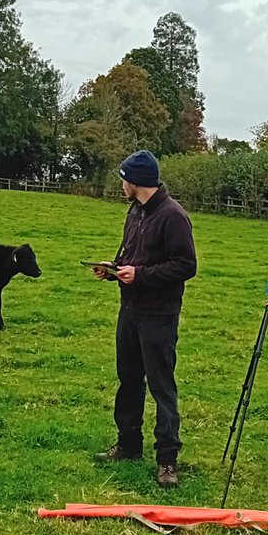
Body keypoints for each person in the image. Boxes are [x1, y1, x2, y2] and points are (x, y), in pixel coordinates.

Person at [92, 150, 197, 487]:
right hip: (130, 310)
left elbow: (186, 266)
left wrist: (140, 275)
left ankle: (167, 460)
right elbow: (131, 256)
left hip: (159, 315)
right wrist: (112, 270)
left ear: (136, 180)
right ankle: (128, 444)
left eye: (123, 178)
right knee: (128, 380)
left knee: (162, 387)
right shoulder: (135, 211)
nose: (121, 184)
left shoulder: (173, 216)